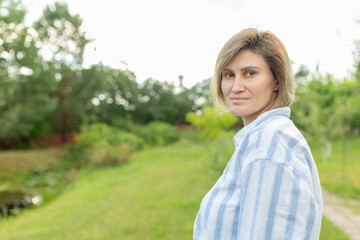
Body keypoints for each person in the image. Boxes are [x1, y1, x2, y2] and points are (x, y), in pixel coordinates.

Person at [193, 28, 323, 240]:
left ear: (277, 81)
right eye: (228, 75)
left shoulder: (270, 141)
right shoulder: (260, 137)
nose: (235, 87)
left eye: (250, 73)